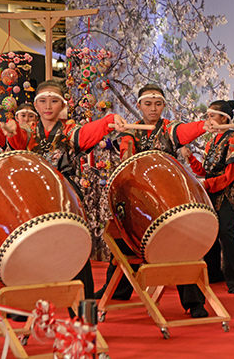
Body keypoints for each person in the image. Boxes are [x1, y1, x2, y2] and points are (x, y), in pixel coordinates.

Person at [95, 84, 216, 318]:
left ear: (163, 106)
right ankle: (119, 289)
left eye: (158, 104)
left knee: (183, 244)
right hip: (140, 198)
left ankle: (194, 302)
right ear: (139, 105)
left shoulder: (169, 129)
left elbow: (186, 131)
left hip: (169, 198)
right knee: (122, 239)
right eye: (148, 104)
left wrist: (203, 126)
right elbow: (126, 154)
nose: (153, 108)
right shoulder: (130, 131)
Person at [1, 80, 127, 299]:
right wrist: (6, 132)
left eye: (53, 101)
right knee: (27, 247)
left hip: (65, 196)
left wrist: (109, 121)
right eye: (42, 101)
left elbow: (92, 130)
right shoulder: (28, 133)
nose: (48, 106)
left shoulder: (70, 132)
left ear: (62, 105)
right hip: (33, 197)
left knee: (74, 249)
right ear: (36, 105)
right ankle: (25, 304)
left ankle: (83, 306)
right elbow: (18, 140)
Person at [181, 100, 234, 294]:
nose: (208, 119)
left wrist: (207, 184)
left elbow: (231, 175)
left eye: (212, 115)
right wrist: (190, 159)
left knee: (226, 234)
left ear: (224, 118)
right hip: (210, 192)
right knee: (209, 233)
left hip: (226, 193)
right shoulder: (210, 142)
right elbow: (206, 171)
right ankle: (214, 274)